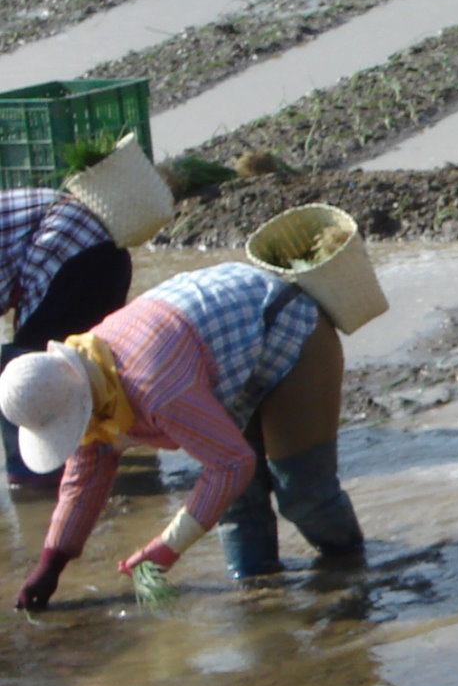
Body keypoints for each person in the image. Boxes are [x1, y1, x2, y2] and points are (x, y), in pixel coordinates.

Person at [3, 262, 364, 610]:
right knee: (238, 504)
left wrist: (167, 546)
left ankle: (357, 574)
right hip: (227, 354)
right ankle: (258, 601)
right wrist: (50, 566)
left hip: (286, 326)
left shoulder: (157, 389)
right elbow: (83, 482)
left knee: (303, 493)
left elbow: (232, 464)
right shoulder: (86, 380)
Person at [1, 136, 168, 492]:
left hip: (75, 256)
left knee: (23, 371)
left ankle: (35, 477)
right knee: (91, 366)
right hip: (98, 251)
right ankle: (112, 449)